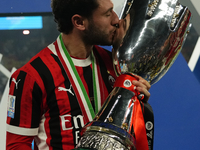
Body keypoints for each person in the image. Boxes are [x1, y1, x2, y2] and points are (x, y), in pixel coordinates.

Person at [6, 0, 151, 149]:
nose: (116, 20)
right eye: (108, 14)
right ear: (79, 22)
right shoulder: (32, 76)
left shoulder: (114, 66)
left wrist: (137, 105)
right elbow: (16, 145)